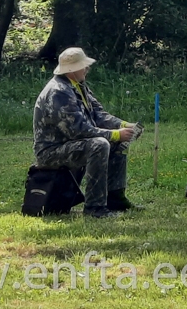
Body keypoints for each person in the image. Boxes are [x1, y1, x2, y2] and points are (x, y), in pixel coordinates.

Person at [33, 47, 143, 218]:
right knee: (99, 145)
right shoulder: (58, 92)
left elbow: (98, 114)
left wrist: (125, 126)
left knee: (116, 143)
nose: (87, 69)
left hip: (68, 144)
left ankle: (115, 198)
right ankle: (94, 208)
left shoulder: (77, 86)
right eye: (83, 66)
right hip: (51, 152)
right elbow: (78, 131)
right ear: (72, 70)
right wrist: (116, 134)